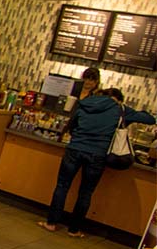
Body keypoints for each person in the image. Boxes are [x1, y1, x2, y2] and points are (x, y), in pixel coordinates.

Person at [38, 88, 154, 237]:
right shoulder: (120, 109)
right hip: (97, 155)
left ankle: (51, 223)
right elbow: (150, 119)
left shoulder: (86, 103)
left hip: (74, 149)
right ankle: (74, 230)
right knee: (86, 192)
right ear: (118, 99)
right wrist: (129, 111)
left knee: (62, 185)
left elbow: (72, 124)